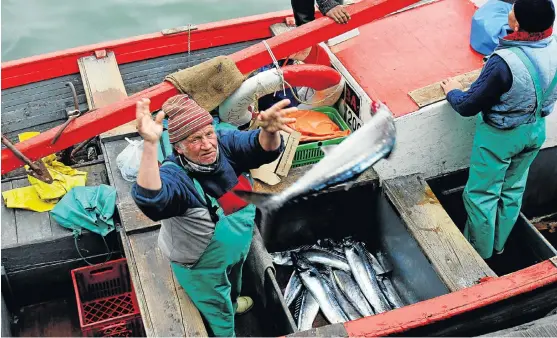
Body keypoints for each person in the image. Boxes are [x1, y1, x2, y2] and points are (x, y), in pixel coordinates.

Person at [131, 94, 296, 337]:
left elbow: (260, 148)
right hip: (200, 265)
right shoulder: (176, 177)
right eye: (195, 139)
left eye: (208, 134)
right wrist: (149, 145)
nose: (207, 144)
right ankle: (225, 331)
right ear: (179, 147)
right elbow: (151, 200)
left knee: (233, 283)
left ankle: (232, 302)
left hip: (235, 250)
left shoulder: (225, 143)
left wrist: (270, 132)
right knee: (216, 306)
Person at [441, 0, 557, 259]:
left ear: (516, 23)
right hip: (536, 131)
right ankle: (499, 246)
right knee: (512, 190)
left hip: (500, 137)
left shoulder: (503, 62)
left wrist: (452, 92)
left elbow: (468, 105)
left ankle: (478, 257)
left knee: (481, 196)